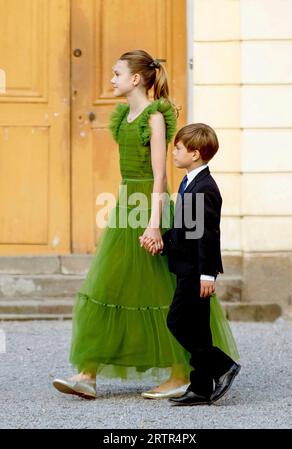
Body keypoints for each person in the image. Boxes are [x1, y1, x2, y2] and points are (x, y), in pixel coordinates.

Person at [52, 49, 191, 400]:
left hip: (149, 208)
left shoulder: (154, 118)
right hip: (127, 204)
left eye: (116, 74)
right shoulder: (124, 117)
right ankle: (88, 374)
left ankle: (181, 374)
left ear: (135, 79)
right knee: (108, 286)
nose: (111, 80)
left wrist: (154, 226)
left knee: (164, 288)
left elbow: (160, 176)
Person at [140, 123, 241, 406]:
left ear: (195, 154)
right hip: (187, 267)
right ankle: (201, 387)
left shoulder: (205, 188)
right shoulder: (189, 183)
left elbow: (207, 236)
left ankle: (223, 366)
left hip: (196, 272)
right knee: (197, 328)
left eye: (179, 148)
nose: (173, 152)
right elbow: (186, 230)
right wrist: (159, 242)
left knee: (177, 321)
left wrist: (208, 275)